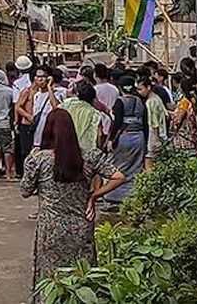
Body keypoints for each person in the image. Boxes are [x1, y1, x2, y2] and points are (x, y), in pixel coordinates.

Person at [20, 110, 125, 302]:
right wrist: (93, 196)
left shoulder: (39, 159)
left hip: (50, 228)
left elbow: (25, 191)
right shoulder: (89, 156)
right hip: (81, 225)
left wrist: (30, 161)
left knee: (50, 279)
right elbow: (119, 177)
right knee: (82, 278)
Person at [104, 75, 148, 205]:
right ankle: (133, 194)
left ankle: (115, 194)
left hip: (123, 137)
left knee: (119, 166)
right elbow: (146, 123)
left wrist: (111, 139)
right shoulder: (140, 101)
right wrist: (145, 141)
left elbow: (117, 123)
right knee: (136, 167)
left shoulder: (119, 102)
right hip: (139, 137)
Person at [16, 66, 59, 161]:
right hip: (35, 132)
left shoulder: (55, 93)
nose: (40, 79)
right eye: (38, 76)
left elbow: (56, 107)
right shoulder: (34, 94)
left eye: (43, 77)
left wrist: (49, 88)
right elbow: (18, 107)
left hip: (48, 133)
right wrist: (28, 117)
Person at [61, 80, 102, 153]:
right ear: (93, 98)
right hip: (86, 150)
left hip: (66, 146)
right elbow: (99, 134)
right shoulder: (95, 114)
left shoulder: (67, 105)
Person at [137, 76, 168, 169]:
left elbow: (154, 124)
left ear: (148, 87)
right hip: (160, 137)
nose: (139, 92)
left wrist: (154, 142)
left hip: (153, 138)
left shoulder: (151, 102)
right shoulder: (157, 98)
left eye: (140, 89)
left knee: (149, 167)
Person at [11, 56, 34, 177]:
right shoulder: (33, 81)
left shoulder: (17, 83)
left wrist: (16, 121)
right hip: (33, 116)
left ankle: (22, 171)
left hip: (23, 118)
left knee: (22, 146)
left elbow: (16, 103)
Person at [171, 74, 197, 153]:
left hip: (185, 139)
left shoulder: (184, 102)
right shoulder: (195, 101)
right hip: (194, 137)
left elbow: (178, 120)